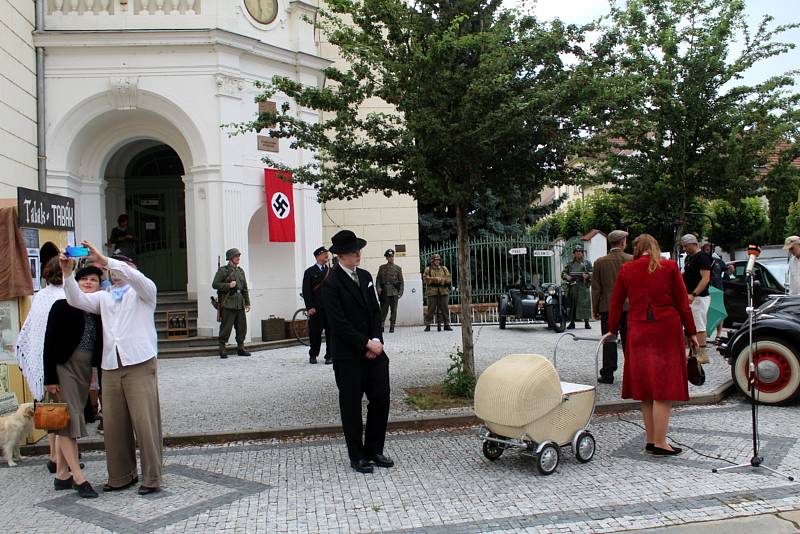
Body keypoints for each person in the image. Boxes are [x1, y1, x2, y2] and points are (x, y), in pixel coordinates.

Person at [60, 243, 164, 495]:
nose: (113, 271)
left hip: (139, 363)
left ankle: (152, 477)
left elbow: (133, 277)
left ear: (132, 266)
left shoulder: (144, 291)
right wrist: (67, 273)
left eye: (120, 264)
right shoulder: (105, 296)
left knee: (145, 423)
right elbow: (76, 299)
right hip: (111, 365)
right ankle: (121, 475)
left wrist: (106, 260)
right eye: (110, 267)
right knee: (114, 425)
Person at [608, 234, 699, 456]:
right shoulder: (668, 267)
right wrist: (692, 332)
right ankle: (660, 442)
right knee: (663, 389)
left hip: (638, 330)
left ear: (637, 249)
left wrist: (611, 329)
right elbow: (682, 303)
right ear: (656, 247)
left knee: (647, 389)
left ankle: (651, 439)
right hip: (665, 330)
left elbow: (616, 302)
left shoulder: (627, 269)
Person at [322, 230, 392, 474]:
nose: (358, 255)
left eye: (358, 250)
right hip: (349, 355)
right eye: (353, 252)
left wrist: (376, 340)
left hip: (374, 350)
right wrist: (365, 344)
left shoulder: (365, 276)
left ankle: (374, 448)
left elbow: (374, 311)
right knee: (351, 406)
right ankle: (357, 455)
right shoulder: (331, 283)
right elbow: (338, 324)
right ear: (341, 255)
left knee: (381, 397)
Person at [43, 266, 104, 498]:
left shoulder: (97, 309)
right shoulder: (61, 306)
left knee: (66, 420)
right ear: (75, 283)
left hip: (83, 371)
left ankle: (61, 475)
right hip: (63, 368)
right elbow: (48, 342)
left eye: (94, 280)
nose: (89, 283)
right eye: (84, 279)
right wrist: (49, 377)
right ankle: (79, 478)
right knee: (69, 423)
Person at [15, 257, 66, 473]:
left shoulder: (39, 297)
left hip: (44, 363)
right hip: (60, 362)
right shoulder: (65, 296)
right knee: (63, 414)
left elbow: (28, 333)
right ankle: (60, 458)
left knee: (51, 411)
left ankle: (54, 455)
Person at [591, 230, 632, 384]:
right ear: (623, 242)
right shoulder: (632, 259)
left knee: (609, 340)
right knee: (630, 341)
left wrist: (595, 309)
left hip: (607, 307)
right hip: (629, 307)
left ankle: (608, 373)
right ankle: (633, 373)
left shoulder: (600, 262)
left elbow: (596, 289)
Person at [212, 248, 251, 359]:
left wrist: (247, 302)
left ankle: (241, 347)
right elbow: (215, 284)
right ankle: (222, 348)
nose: (238, 258)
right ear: (230, 258)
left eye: (238, 256)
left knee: (241, 327)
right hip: (228, 303)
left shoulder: (240, 271)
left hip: (240, 303)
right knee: (226, 327)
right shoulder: (223, 271)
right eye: (235, 256)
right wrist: (228, 285)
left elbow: (244, 288)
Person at [680, 234, 712, 364]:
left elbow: (705, 278)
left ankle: (702, 355)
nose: (684, 248)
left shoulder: (702, 258)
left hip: (699, 297)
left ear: (694, 244)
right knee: (691, 326)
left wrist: (694, 294)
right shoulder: (689, 257)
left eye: (686, 246)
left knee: (699, 326)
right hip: (691, 296)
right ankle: (693, 353)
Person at [302, 246, 331, 364]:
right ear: (317, 256)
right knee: (315, 333)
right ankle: (313, 354)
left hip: (329, 308)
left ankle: (330, 355)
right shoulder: (309, 272)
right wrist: (310, 307)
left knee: (331, 333)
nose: (326, 256)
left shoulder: (330, 271)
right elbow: (306, 291)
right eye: (324, 254)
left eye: (327, 254)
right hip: (316, 308)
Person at [562, 244, 593, 329]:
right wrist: (566, 276)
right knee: (572, 304)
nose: (578, 253)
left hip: (583, 286)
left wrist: (587, 275)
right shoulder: (570, 264)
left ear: (582, 253)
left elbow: (593, 272)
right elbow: (563, 273)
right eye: (576, 251)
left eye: (580, 251)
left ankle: (587, 322)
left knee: (585, 304)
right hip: (573, 286)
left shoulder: (587, 263)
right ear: (574, 253)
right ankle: (572, 322)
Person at [376, 249, 404, 333]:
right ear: (386, 258)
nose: (391, 258)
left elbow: (401, 281)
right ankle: (381, 325)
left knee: (394, 310)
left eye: (392, 256)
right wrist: (378, 288)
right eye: (389, 257)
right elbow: (378, 279)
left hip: (394, 292)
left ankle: (392, 326)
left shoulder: (398, 268)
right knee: (383, 310)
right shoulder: (382, 268)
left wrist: (400, 293)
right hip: (385, 292)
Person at [423, 254, 452, 332]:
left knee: (445, 308)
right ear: (432, 261)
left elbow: (449, 278)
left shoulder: (444, 268)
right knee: (431, 309)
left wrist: (442, 280)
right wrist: (435, 279)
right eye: (436, 260)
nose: (437, 261)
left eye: (438, 260)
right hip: (432, 292)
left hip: (443, 291)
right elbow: (425, 279)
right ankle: (428, 324)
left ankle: (446, 324)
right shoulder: (428, 269)